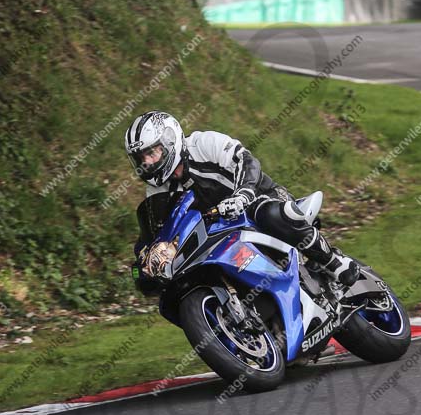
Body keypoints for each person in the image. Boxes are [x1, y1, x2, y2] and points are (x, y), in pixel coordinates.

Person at [125, 111, 359, 289]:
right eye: (140, 158)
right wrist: (143, 266)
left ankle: (332, 261)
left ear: (168, 141)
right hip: (220, 233)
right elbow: (154, 236)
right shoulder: (156, 192)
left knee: (268, 213)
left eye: (151, 152)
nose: (147, 162)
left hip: (257, 198)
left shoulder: (203, 144)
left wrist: (243, 194)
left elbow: (247, 161)